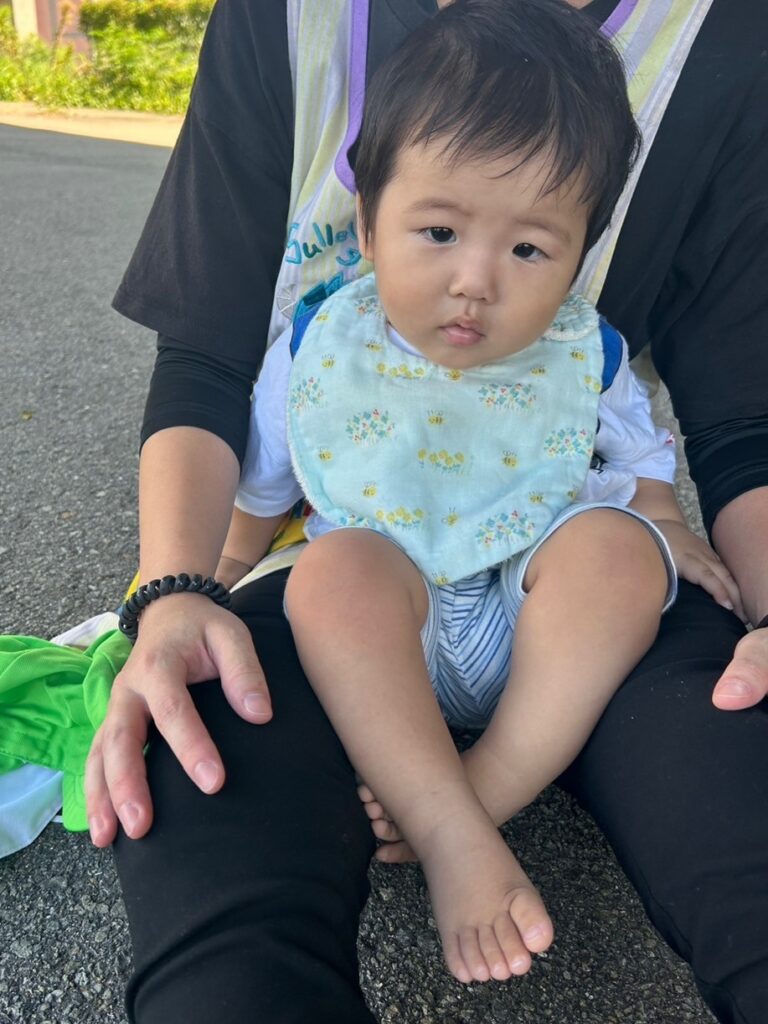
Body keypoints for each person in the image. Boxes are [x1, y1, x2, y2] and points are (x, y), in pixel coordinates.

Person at [85, 0, 768, 1021]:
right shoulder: (328, 345)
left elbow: (683, 440)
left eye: (531, 251)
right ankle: (450, 829)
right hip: (367, 614)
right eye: (439, 232)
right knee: (331, 579)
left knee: (620, 558)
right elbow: (236, 440)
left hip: (552, 606)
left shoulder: (582, 345)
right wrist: (182, 592)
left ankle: (475, 797)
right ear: (367, 226)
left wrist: (676, 533)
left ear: (578, 253)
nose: (475, 283)